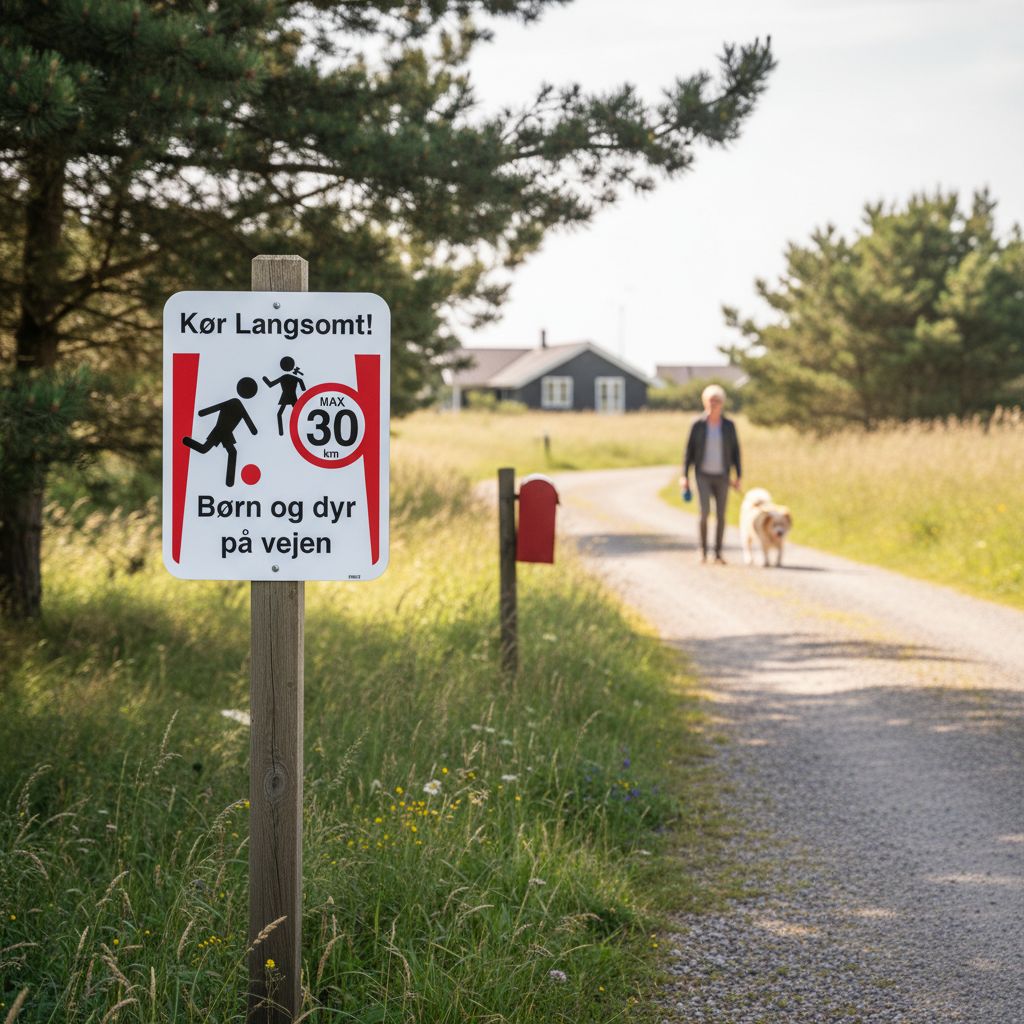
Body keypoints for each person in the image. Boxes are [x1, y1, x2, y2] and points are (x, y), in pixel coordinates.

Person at [682, 384, 742, 564]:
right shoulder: (697, 424)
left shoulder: (729, 425)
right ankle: (703, 550)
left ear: (722, 403)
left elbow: (736, 451)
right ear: (704, 401)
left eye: (717, 400)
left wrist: (738, 476)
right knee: (704, 511)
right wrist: (684, 476)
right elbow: (688, 452)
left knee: (721, 515)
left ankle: (717, 553)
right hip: (702, 474)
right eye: (710, 400)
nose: (713, 403)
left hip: (723, 475)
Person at [182, 377, 259, 487]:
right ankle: (185, 440)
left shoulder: (236, 403)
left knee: (225, 451)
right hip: (220, 431)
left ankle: (229, 481)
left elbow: (215, 408)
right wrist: (253, 431)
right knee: (212, 450)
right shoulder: (238, 404)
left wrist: (202, 413)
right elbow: (250, 424)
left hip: (224, 432)